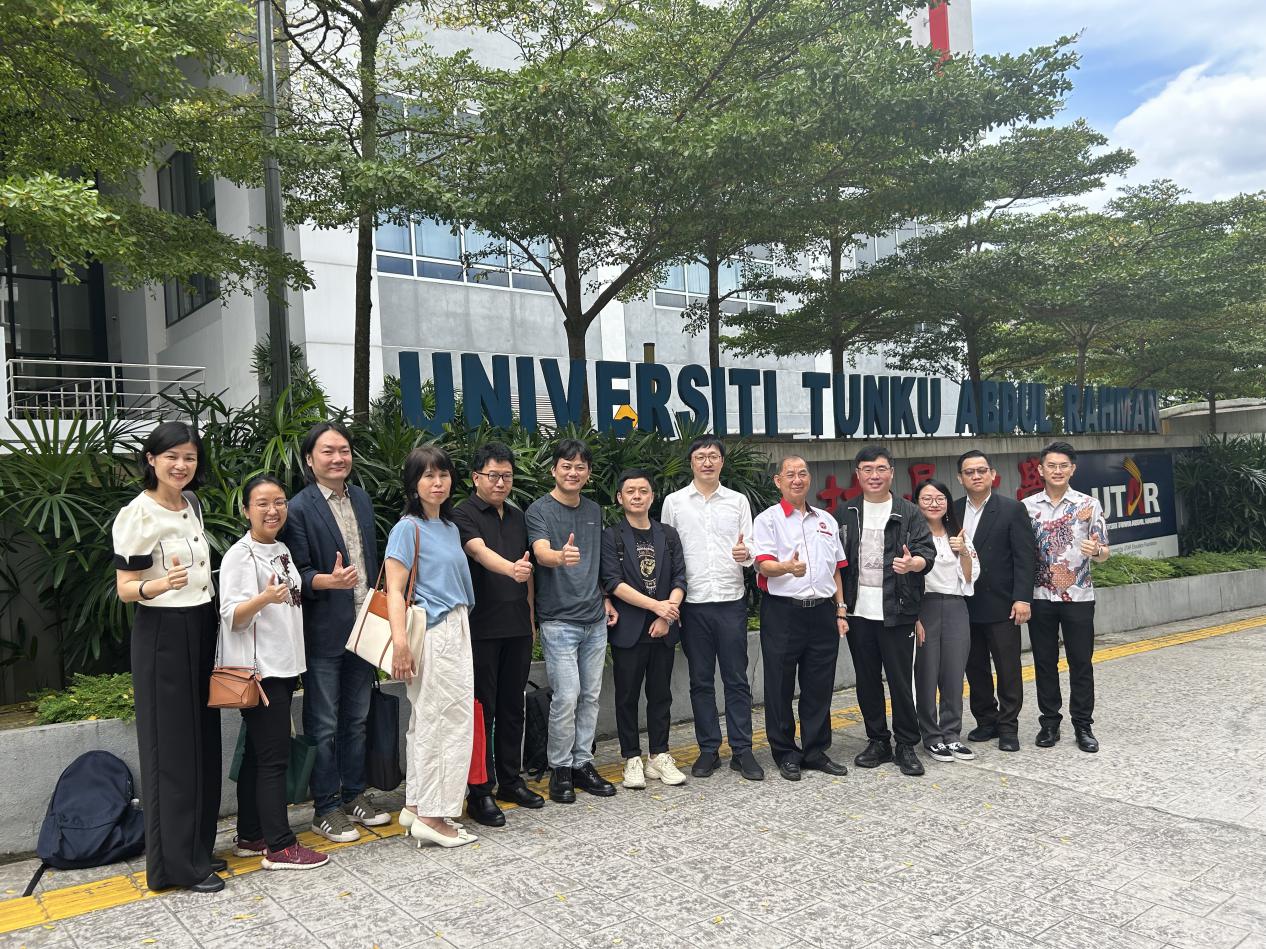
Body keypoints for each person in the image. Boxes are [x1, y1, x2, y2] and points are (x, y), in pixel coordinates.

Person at [112, 421, 223, 893]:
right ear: (151, 460)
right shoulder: (138, 515)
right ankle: (174, 866)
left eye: (189, 457)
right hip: (162, 632)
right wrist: (158, 585)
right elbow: (125, 589)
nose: (181, 465)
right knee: (172, 751)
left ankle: (197, 848)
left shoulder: (191, 504)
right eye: (172, 456)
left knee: (202, 744)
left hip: (200, 623)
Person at [280, 423, 389, 843]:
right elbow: (297, 573)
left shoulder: (360, 498)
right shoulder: (298, 508)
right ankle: (325, 807)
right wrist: (327, 581)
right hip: (324, 630)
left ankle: (354, 794)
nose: (338, 458)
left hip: (365, 626)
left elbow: (370, 558)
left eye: (343, 450)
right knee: (323, 722)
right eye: (327, 451)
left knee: (356, 719)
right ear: (310, 460)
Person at [218, 475, 329, 871]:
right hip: (262, 671)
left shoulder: (280, 548)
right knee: (273, 759)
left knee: (256, 755)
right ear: (246, 510)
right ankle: (280, 846)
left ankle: (251, 834)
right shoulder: (239, 556)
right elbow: (231, 616)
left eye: (279, 502)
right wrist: (264, 598)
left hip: (284, 665)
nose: (272, 510)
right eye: (262, 503)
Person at [386, 446, 478, 847]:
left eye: (443, 474)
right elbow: (394, 590)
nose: (437, 482)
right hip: (433, 631)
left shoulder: (449, 527)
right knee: (445, 721)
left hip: (456, 626)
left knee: (431, 720)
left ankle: (417, 805)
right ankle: (433, 816)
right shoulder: (408, 528)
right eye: (428, 476)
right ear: (413, 484)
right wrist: (400, 644)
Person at [450, 442, 544, 826]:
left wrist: (531, 617)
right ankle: (479, 791)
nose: (500, 483)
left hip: (517, 626)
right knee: (481, 711)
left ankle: (510, 780)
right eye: (493, 475)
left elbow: (528, 571)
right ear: (476, 477)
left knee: (512, 707)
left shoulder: (518, 517)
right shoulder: (462, 514)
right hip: (481, 628)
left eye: (506, 476)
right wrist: (511, 570)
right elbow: (477, 551)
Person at [660, 436, 763, 781]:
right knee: (700, 680)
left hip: (730, 601)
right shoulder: (674, 503)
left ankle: (742, 750)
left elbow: (750, 546)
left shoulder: (737, 501)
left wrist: (745, 554)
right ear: (691, 462)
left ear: (722, 462)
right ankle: (708, 749)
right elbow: (668, 552)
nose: (707, 462)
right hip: (692, 604)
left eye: (713, 456)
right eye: (701, 456)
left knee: (736, 679)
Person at [526, 439, 619, 804]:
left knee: (591, 696)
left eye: (580, 467)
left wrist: (606, 597)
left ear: (588, 473)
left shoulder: (594, 510)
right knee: (566, 697)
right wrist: (559, 556)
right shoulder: (539, 510)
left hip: (594, 619)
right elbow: (540, 553)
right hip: (559, 620)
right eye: (566, 466)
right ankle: (560, 768)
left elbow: (598, 563)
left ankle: (582, 763)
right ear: (554, 470)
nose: (573, 472)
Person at [838, 444, 936, 777]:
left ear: (891, 473)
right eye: (867, 469)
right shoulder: (847, 512)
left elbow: (927, 554)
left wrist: (913, 564)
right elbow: (836, 562)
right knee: (866, 681)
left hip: (898, 610)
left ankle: (906, 743)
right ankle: (878, 740)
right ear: (858, 474)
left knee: (899, 681)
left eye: (881, 469)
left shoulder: (909, 512)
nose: (874, 475)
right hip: (858, 612)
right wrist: (840, 608)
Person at [751, 455, 850, 782]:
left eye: (803, 474)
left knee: (819, 684)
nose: (797, 479)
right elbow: (764, 565)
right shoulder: (767, 520)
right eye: (790, 474)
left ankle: (815, 750)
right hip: (783, 612)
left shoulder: (826, 520)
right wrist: (787, 568)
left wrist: (840, 608)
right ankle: (785, 753)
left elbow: (836, 569)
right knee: (779, 684)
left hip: (822, 612)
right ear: (778, 481)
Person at [601, 469, 689, 789]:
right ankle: (631, 758)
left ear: (652, 496)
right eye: (630, 491)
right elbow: (613, 582)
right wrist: (656, 607)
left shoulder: (668, 534)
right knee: (627, 696)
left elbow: (680, 579)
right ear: (619, 498)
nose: (637, 496)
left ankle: (659, 755)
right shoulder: (611, 536)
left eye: (643, 491)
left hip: (663, 628)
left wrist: (667, 615)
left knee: (660, 695)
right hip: (629, 628)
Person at [1024, 441, 1110, 753]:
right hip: (1039, 596)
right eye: (1051, 465)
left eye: (1063, 466)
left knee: (1080, 662)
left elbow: (1105, 552)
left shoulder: (1089, 504)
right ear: (1040, 470)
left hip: (1079, 596)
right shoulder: (1027, 506)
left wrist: (1096, 550)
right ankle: (1049, 723)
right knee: (1044, 662)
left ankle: (1083, 725)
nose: (1057, 470)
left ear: (1072, 469)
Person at [954, 450, 1036, 753]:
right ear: (960, 478)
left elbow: (1025, 558)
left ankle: (1008, 726)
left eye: (981, 470)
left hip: (1002, 604)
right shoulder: (952, 510)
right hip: (964, 604)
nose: (976, 476)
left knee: (1008, 668)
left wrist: (1022, 598)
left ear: (992, 474)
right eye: (969, 472)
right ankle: (986, 720)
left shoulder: (1012, 509)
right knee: (974, 667)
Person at [912, 479, 977, 764]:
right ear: (917, 503)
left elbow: (970, 576)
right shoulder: (912, 535)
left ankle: (951, 734)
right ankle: (931, 736)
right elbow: (906, 578)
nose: (934, 503)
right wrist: (914, 617)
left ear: (948, 503)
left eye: (940, 498)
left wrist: (963, 551)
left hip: (955, 606)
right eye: (926, 498)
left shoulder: (958, 535)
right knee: (926, 674)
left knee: (953, 673)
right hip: (924, 607)